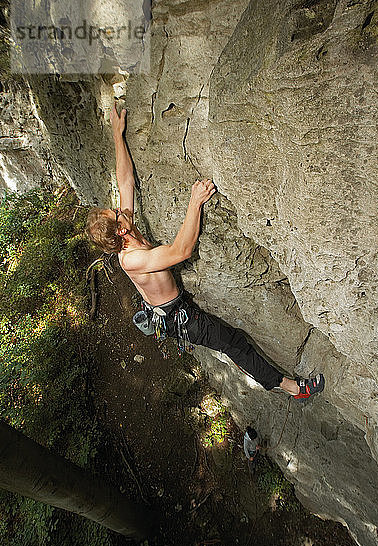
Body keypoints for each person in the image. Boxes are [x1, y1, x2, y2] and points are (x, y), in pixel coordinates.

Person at [86, 104, 325, 401]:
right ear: (119, 231)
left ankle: (282, 383)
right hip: (179, 319)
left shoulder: (126, 229)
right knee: (235, 344)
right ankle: (292, 388)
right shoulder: (132, 259)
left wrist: (117, 135)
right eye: (118, 215)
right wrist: (194, 202)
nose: (122, 209)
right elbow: (181, 250)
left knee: (232, 343)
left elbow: (125, 181)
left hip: (173, 308)